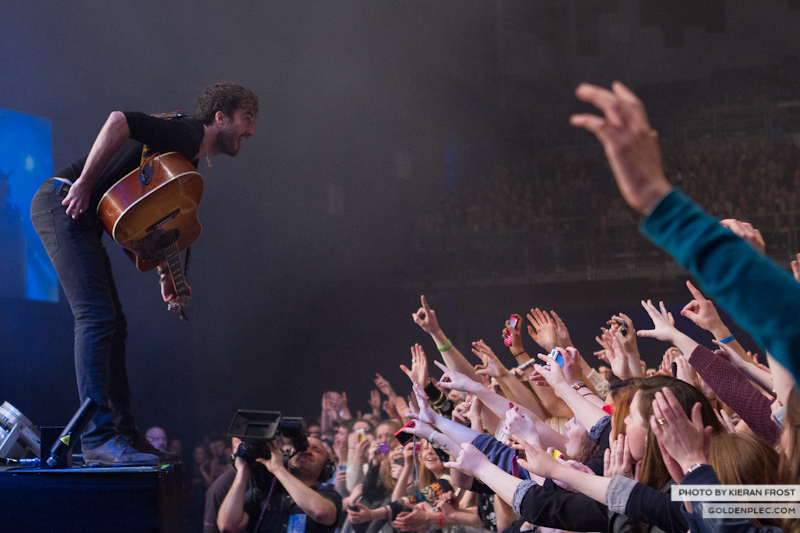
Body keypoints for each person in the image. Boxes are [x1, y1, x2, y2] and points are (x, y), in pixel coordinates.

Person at [29, 82, 258, 466]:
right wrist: (85, 182)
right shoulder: (186, 133)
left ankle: (123, 434)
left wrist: (168, 273)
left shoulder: (186, 156)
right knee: (96, 318)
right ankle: (97, 438)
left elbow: (156, 223)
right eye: (246, 119)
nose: (251, 131)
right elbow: (119, 121)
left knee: (114, 324)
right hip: (63, 201)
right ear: (221, 117)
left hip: (82, 217)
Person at [216, 437, 341, 533]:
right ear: (287, 457)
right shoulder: (263, 492)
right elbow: (227, 525)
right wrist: (243, 472)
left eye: (316, 450)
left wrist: (278, 469)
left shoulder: (329, 495)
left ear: (326, 465)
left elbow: (321, 513)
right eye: (300, 448)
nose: (307, 451)